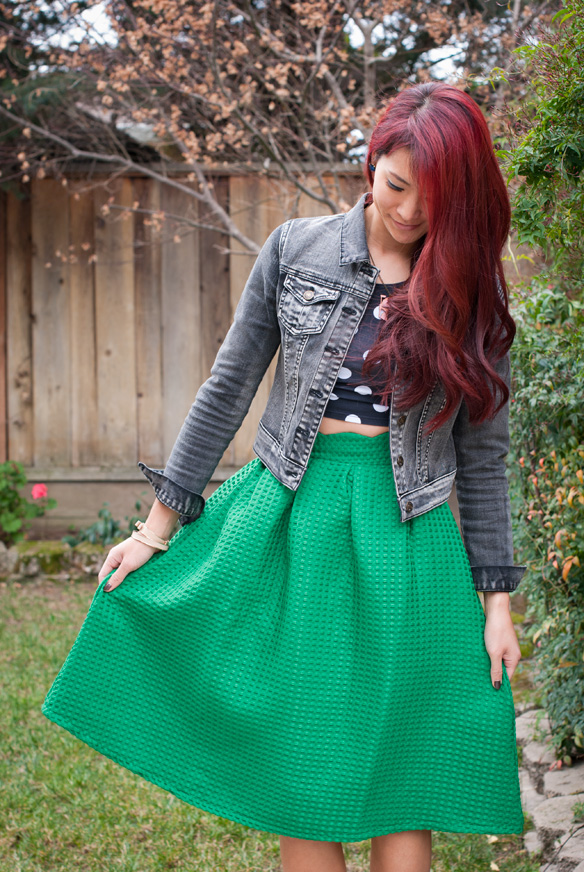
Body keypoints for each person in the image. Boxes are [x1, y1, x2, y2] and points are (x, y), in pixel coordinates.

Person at [42, 82, 526, 872]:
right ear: (370, 165)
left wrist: (496, 603)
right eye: (397, 186)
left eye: (432, 199)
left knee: (401, 769)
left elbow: (483, 455)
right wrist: (155, 529)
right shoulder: (295, 248)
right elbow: (228, 387)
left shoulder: (468, 286)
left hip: (410, 535)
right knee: (307, 761)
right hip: (293, 518)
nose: (409, 212)